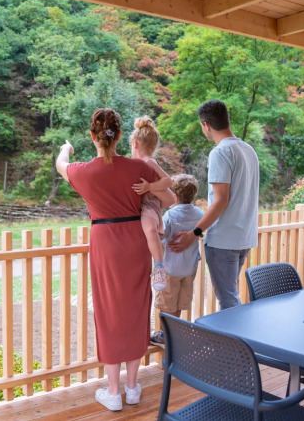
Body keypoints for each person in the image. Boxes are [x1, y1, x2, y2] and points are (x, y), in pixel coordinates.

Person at [55, 108, 173, 411]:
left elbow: (60, 165)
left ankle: (113, 391)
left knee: (108, 312)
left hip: (105, 242)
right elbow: (168, 192)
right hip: (135, 241)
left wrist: (65, 149)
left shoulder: (84, 171)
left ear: (92, 136)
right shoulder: (139, 167)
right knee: (136, 309)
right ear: (120, 135)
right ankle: (132, 387)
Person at [169, 100, 259, 310]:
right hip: (244, 238)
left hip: (224, 241)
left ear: (206, 125)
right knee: (231, 295)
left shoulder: (220, 152)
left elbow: (221, 200)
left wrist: (195, 232)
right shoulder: (248, 150)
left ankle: (237, 333)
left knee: (228, 300)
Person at [150, 174, 203, 345]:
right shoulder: (199, 213)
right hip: (189, 269)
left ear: (175, 195)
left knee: (167, 304)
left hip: (170, 268)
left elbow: (160, 234)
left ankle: (165, 335)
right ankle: (174, 333)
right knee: (179, 303)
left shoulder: (170, 216)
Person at [129, 116, 174, 291]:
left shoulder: (148, 161)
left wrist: (149, 187)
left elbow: (168, 181)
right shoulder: (134, 163)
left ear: (135, 144)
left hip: (149, 205)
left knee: (149, 229)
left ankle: (159, 267)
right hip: (141, 205)